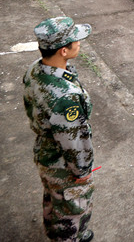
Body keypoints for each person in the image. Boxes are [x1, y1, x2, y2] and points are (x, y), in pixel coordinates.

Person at [24, 17, 95, 242]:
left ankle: (54, 233)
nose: (79, 43)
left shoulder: (36, 68)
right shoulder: (66, 97)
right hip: (62, 163)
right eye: (75, 41)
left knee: (54, 198)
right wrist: (81, 172)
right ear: (63, 51)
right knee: (72, 207)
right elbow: (73, 141)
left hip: (45, 151)